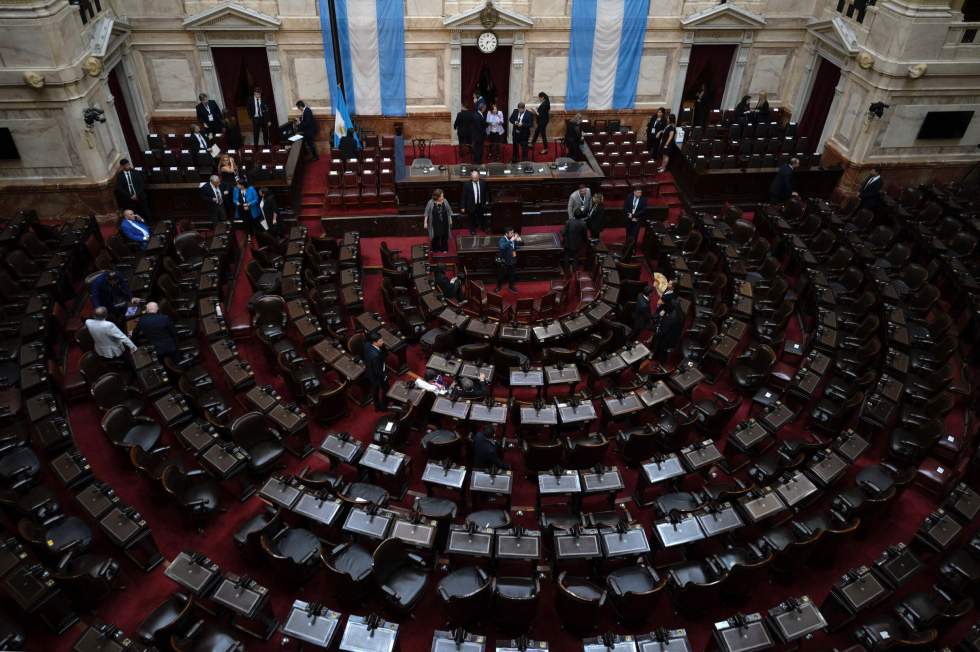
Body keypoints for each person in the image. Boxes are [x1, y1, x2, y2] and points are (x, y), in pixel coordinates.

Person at [652, 292, 683, 362]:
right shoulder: (678, 308)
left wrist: (657, 328)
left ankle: (658, 361)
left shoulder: (671, 318)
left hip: (668, 338)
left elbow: (662, 330)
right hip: (674, 335)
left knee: (661, 349)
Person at [363, 330, 388, 410]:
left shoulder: (367, 344)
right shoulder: (375, 356)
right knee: (385, 388)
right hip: (377, 375)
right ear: (374, 342)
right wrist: (385, 377)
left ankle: (376, 405)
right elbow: (378, 371)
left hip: (370, 371)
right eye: (380, 341)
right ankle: (383, 406)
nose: (383, 342)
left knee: (375, 390)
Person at [423, 188, 453, 253]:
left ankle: (444, 248)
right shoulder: (430, 202)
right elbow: (426, 212)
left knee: (444, 235)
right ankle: (434, 248)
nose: (443, 197)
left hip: (444, 222)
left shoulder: (445, 201)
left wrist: (450, 220)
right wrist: (425, 222)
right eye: (442, 196)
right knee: (435, 236)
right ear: (437, 197)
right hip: (435, 223)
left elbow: (449, 211)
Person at [460, 169, 488, 234]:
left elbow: (486, 193)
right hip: (471, 205)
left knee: (481, 217)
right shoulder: (466, 184)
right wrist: (462, 207)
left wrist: (486, 201)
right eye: (473, 178)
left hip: (481, 204)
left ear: (478, 176)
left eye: (475, 178)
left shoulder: (483, 182)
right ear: (471, 177)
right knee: (471, 218)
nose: (474, 179)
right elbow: (463, 196)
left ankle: (482, 227)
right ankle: (472, 230)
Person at [496, 227, 521, 293]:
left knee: (512, 275)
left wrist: (519, 240)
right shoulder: (502, 239)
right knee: (501, 275)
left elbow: (519, 246)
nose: (513, 234)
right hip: (504, 262)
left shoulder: (513, 239)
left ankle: (511, 287)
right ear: (506, 234)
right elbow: (502, 247)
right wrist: (511, 240)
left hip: (512, 260)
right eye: (511, 233)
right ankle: (498, 287)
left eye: (513, 232)